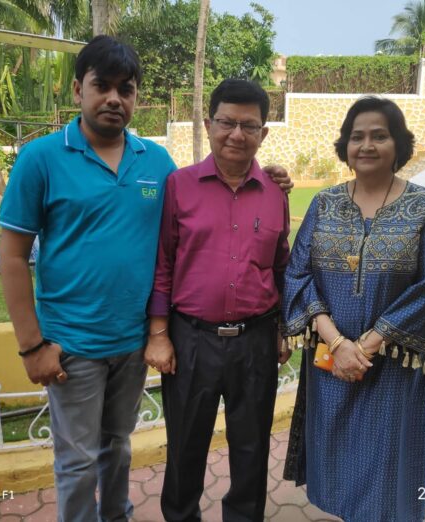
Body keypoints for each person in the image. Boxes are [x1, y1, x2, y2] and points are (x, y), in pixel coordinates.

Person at [0, 37, 291, 522]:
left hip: (133, 343)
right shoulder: (41, 158)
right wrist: (31, 346)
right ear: (78, 89)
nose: (114, 98)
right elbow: (12, 257)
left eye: (126, 89)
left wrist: (271, 180)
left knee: (118, 446)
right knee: (78, 461)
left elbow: (251, 249)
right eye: (102, 86)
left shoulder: (156, 164)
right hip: (73, 342)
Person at [282, 96, 425, 522]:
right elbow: (297, 274)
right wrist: (338, 343)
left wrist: (368, 345)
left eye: (380, 136)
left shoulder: (424, 207)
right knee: (339, 461)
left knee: (386, 470)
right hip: (332, 365)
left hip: (392, 369)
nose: (367, 145)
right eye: (357, 136)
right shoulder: (324, 204)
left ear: (399, 144)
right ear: (345, 145)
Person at [145, 79, 291, 522]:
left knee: (252, 446)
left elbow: (280, 266)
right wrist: (159, 334)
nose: (237, 134)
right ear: (209, 125)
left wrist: (282, 329)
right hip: (192, 340)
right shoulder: (179, 186)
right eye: (227, 122)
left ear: (264, 133)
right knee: (185, 444)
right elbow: (163, 262)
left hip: (256, 341)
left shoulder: (275, 193)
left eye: (249, 126)